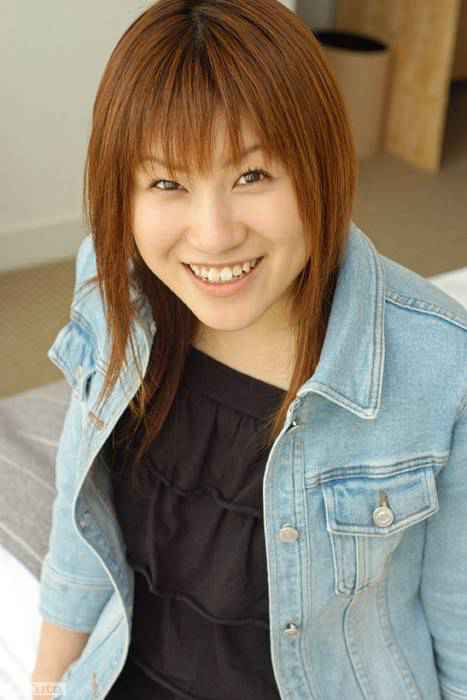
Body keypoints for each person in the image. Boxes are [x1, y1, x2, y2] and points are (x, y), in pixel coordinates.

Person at [32, 0, 467, 698]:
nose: (213, 235)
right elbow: (77, 518)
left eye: (252, 176)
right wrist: (47, 682)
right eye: (167, 183)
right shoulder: (112, 288)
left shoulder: (441, 367)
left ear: (321, 167)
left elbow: (459, 630)